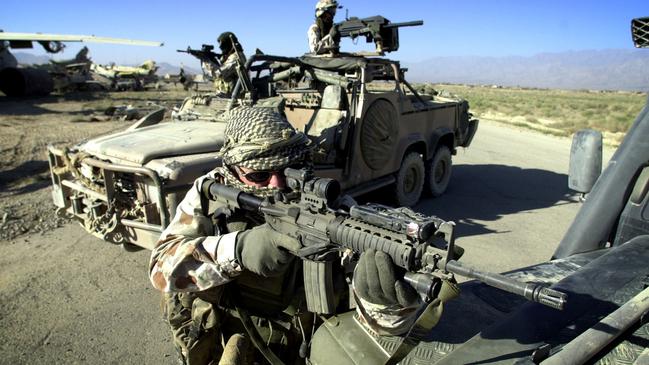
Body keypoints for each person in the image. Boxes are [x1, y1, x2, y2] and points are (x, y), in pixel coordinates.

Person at [149, 106, 420, 364]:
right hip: (228, 336)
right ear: (232, 168)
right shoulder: (210, 194)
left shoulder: (331, 208)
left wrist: (385, 307)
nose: (277, 185)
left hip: (303, 343)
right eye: (259, 175)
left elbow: (378, 327)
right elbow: (161, 267)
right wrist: (236, 250)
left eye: (288, 170)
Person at [210, 31, 246, 96]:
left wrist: (207, 61)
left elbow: (218, 73)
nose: (220, 47)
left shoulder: (235, 57)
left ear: (228, 44)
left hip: (235, 96)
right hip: (229, 94)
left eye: (222, 44)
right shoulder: (230, 56)